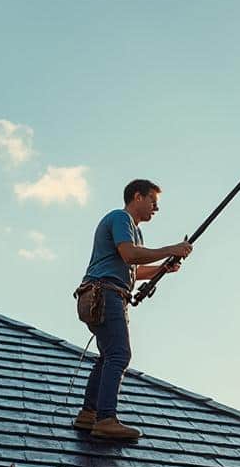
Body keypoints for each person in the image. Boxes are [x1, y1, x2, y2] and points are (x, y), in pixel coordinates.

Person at [72, 179, 192, 440]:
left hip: (102, 293)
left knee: (107, 356)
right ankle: (106, 418)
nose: (155, 209)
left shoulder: (134, 232)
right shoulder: (120, 218)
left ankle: (89, 414)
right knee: (119, 354)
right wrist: (171, 248)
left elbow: (133, 270)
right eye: (153, 201)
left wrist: (163, 268)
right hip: (106, 294)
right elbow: (130, 255)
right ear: (137, 197)